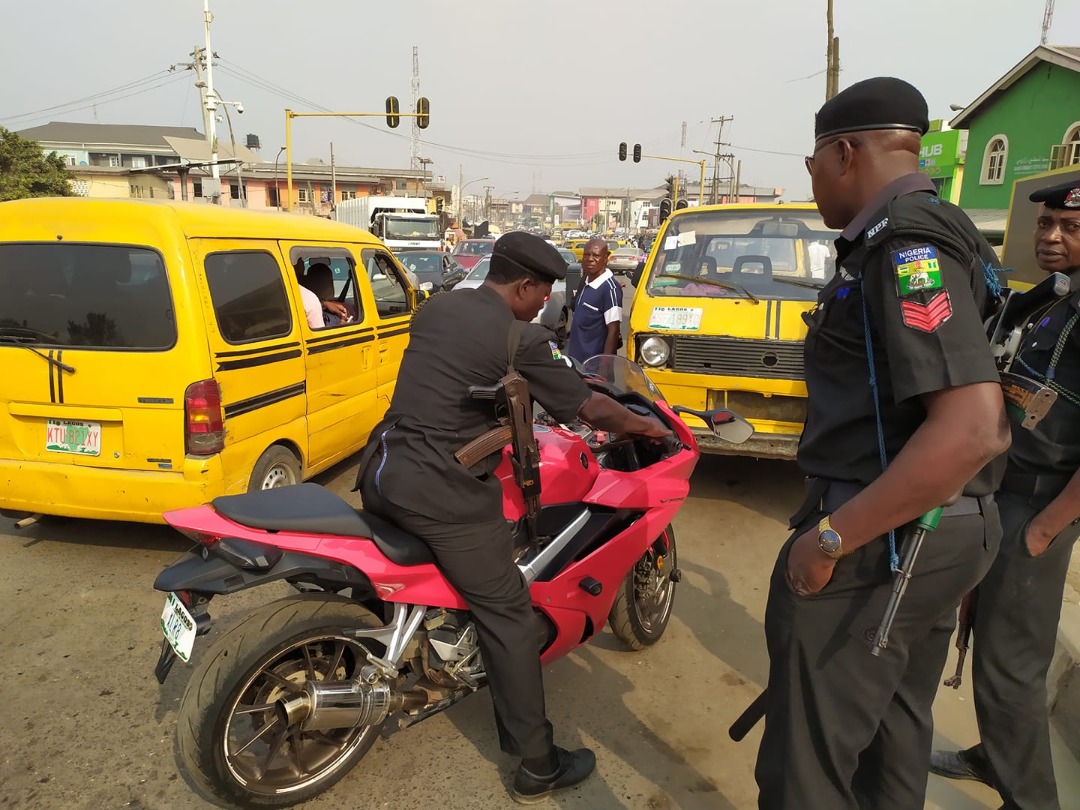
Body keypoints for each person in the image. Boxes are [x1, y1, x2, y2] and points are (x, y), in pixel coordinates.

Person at [754, 76, 1011, 810]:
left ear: (842, 154)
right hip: (934, 528)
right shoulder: (943, 228)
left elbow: (972, 426)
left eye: (810, 168)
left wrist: (832, 538)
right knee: (895, 732)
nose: (811, 184)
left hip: (887, 535)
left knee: (808, 762)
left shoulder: (906, 246)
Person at [354, 231, 672, 804]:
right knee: (509, 614)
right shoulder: (519, 338)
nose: (546, 302)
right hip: (438, 491)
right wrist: (649, 426)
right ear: (524, 286)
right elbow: (586, 405)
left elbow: (452, 383)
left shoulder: (437, 308)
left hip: (382, 470)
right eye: (544, 291)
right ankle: (537, 765)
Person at [929, 179, 1080, 810]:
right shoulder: (1053, 296)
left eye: (1069, 228)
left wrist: (1045, 529)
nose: (1051, 236)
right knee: (984, 633)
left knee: (1011, 666)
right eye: (1046, 224)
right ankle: (995, 754)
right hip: (1005, 489)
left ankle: (1031, 798)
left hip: (1040, 504)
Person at [566, 238, 622, 362]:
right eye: (587, 254)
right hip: (576, 363)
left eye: (596, 255)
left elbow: (613, 330)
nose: (590, 259)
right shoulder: (584, 282)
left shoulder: (610, 288)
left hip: (594, 369)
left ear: (605, 258)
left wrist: (604, 367)